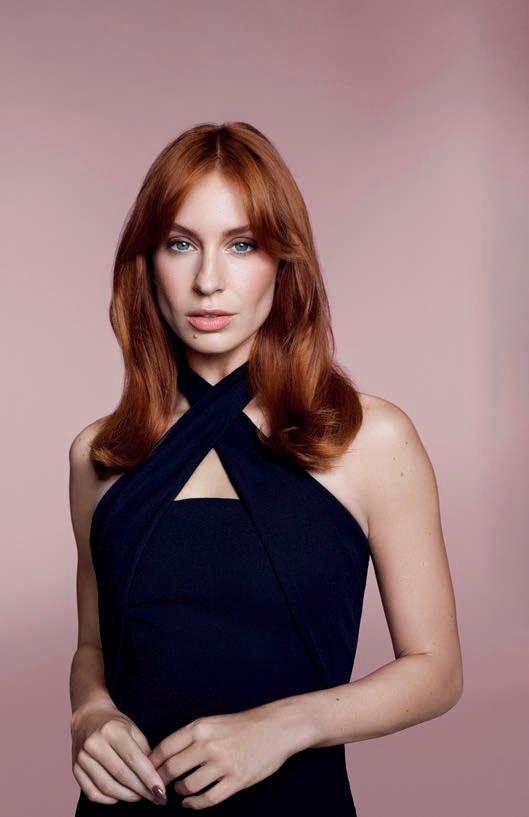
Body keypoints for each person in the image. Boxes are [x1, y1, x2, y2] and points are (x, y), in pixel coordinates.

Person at [68, 121, 463, 815]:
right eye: (180, 243)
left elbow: (437, 671)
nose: (208, 280)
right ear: (147, 260)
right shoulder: (100, 454)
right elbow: (92, 647)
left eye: (242, 244)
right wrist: (89, 714)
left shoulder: (372, 440)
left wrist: (286, 725)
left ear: (284, 261)